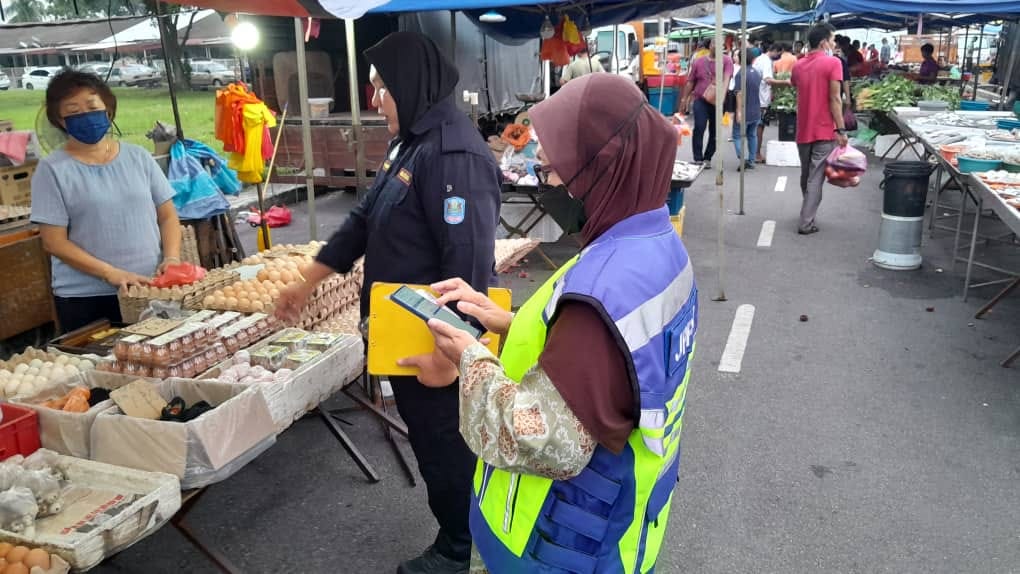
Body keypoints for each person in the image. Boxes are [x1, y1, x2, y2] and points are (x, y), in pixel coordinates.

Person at [398, 72, 698, 574]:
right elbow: (617, 364)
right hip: (628, 521)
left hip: (558, 546)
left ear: (603, 170)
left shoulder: (600, 289)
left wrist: (469, 358)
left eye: (558, 172)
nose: (549, 182)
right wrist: (510, 323)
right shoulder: (657, 246)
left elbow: (542, 440)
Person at [275, 32, 501, 574]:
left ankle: (460, 551)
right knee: (430, 445)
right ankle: (459, 538)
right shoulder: (413, 142)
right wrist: (310, 278)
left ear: (410, 85)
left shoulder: (453, 155)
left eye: (381, 88)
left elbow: (467, 270)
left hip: (435, 346)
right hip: (404, 335)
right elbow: (363, 221)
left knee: (447, 448)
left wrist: (450, 358)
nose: (375, 99)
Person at [30, 70, 181, 333]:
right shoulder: (51, 170)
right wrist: (110, 273)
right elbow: (54, 242)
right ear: (60, 120)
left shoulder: (138, 158)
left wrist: (171, 258)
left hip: (148, 287)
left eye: (91, 106)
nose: (85, 115)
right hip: (86, 298)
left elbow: (167, 216)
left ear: (108, 110)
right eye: (73, 110)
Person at [791, 23, 848, 236]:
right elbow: (835, 98)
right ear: (824, 42)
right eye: (832, 40)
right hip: (824, 129)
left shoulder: (798, 65)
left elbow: (795, 84)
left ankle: (807, 211)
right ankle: (806, 222)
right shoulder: (833, 63)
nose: (834, 44)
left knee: (806, 174)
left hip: (803, 128)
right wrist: (841, 129)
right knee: (816, 177)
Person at [681, 38, 733, 165]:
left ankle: (707, 157)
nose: (718, 47)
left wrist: (722, 96)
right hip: (700, 99)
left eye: (721, 45)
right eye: (715, 44)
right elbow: (691, 81)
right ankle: (698, 158)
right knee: (699, 126)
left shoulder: (726, 60)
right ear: (710, 46)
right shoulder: (698, 61)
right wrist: (684, 98)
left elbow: (726, 79)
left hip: (718, 101)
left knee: (715, 131)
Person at [733, 50, 763, 172]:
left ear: (740, 59)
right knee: (752, 135)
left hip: (745, 110)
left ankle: (743, 159)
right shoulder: (756, 73)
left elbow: (739, 93)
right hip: (756, 109)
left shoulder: (741, 74)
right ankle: (751, 160)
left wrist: (739, 112)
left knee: (737, 135)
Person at [752, 43, 780, 162]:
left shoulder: (759, 59)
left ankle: (754, 153)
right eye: (778, 53)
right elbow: (768, 80)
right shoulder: (766, 61)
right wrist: (785, 82)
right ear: (773, 50)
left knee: (755, 127)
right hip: (761, 99)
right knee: (759, 127)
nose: (779, 55)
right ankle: (756, 154)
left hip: (756, 97)